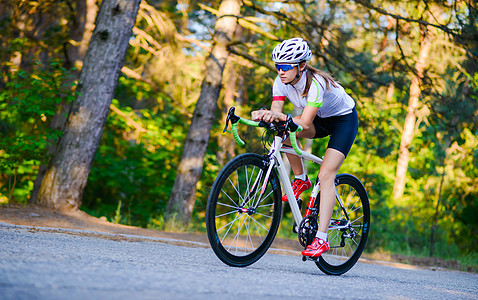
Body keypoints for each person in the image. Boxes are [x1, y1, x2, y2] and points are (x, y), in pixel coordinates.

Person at [251, 38, 358, 258]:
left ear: (301, 66)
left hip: (342, 122)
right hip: (319, 118)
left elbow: (306, 123)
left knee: (326, 174)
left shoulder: (316, 83)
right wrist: (264, 114)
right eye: (277, 66)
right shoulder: (279, 82)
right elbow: (276, 112)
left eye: (285, 67)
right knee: (282, 130)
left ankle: (321, 238)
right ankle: (300, 178)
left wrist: (282, 117)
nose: (280, 72)